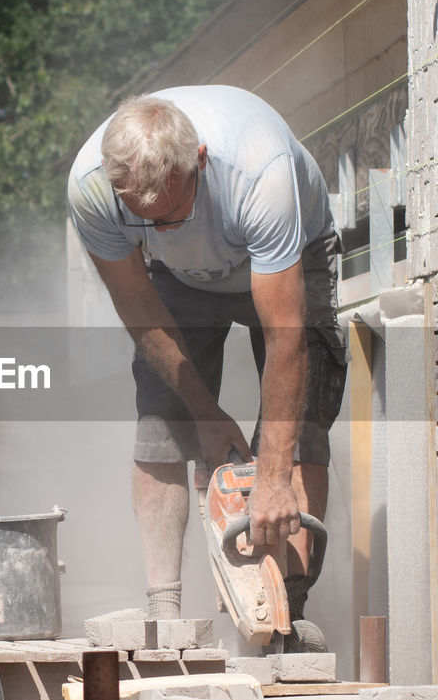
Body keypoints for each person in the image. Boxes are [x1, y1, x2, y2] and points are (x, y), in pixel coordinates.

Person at [66, 85, 347, 651]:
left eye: (172, 214)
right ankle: (163, 615)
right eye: (145, 221)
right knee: (162, 426)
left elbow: (285, 339)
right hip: (177, 279)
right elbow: (138, 307)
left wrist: (270, 479)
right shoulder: (91, 187)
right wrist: (204, 412)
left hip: (289, 254)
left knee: (297, 434)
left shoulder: (259, 173)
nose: (163, 229)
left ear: (199, 160)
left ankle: (286, 619)